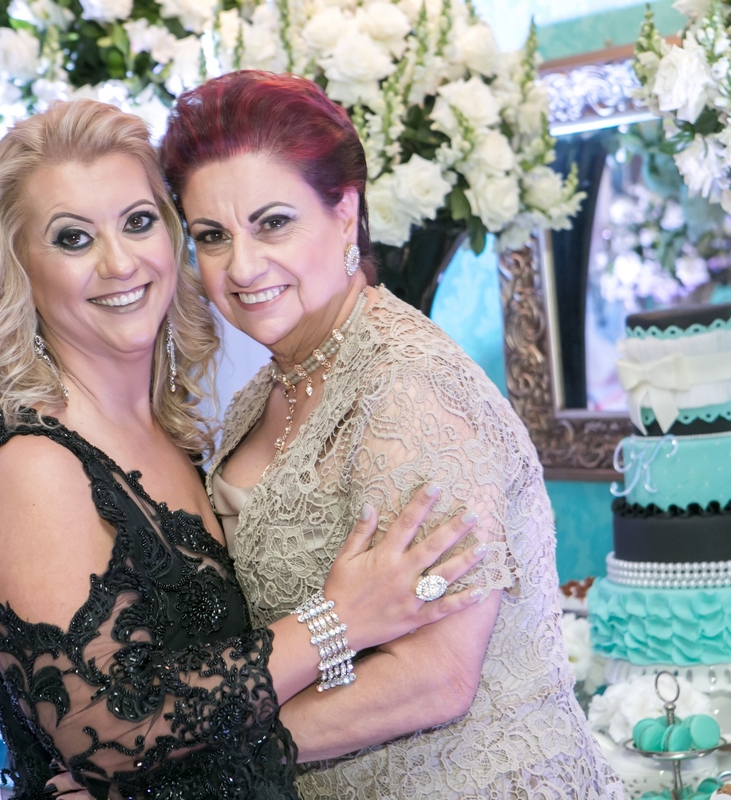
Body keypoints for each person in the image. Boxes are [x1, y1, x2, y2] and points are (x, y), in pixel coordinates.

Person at [0, 99, 488, 800]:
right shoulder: (33, 463)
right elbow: (111, 734)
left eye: (139, 222)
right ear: (19, 267)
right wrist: (336, 621)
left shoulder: (174, 431)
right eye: (73, 238)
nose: (119, 262)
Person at [160, 71, 623, 798]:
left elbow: (437, 677)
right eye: (212, 237)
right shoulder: (268, 390)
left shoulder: (405, 386)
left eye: (273, 223)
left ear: (345, 214)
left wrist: (190, 756)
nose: (241, 267)